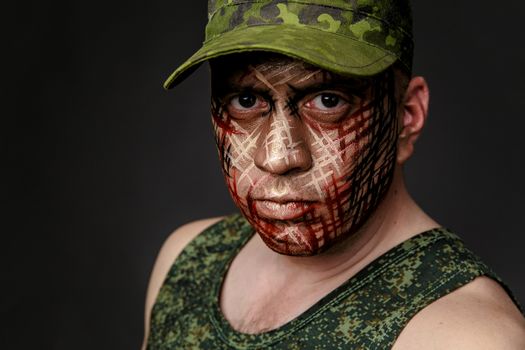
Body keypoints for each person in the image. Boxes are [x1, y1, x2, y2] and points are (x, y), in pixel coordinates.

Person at [142, 0, 525, 348]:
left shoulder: (466, 337)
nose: (277, 157)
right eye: (246, 100)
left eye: (328, 101)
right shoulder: (188, 262)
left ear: (407, 116)